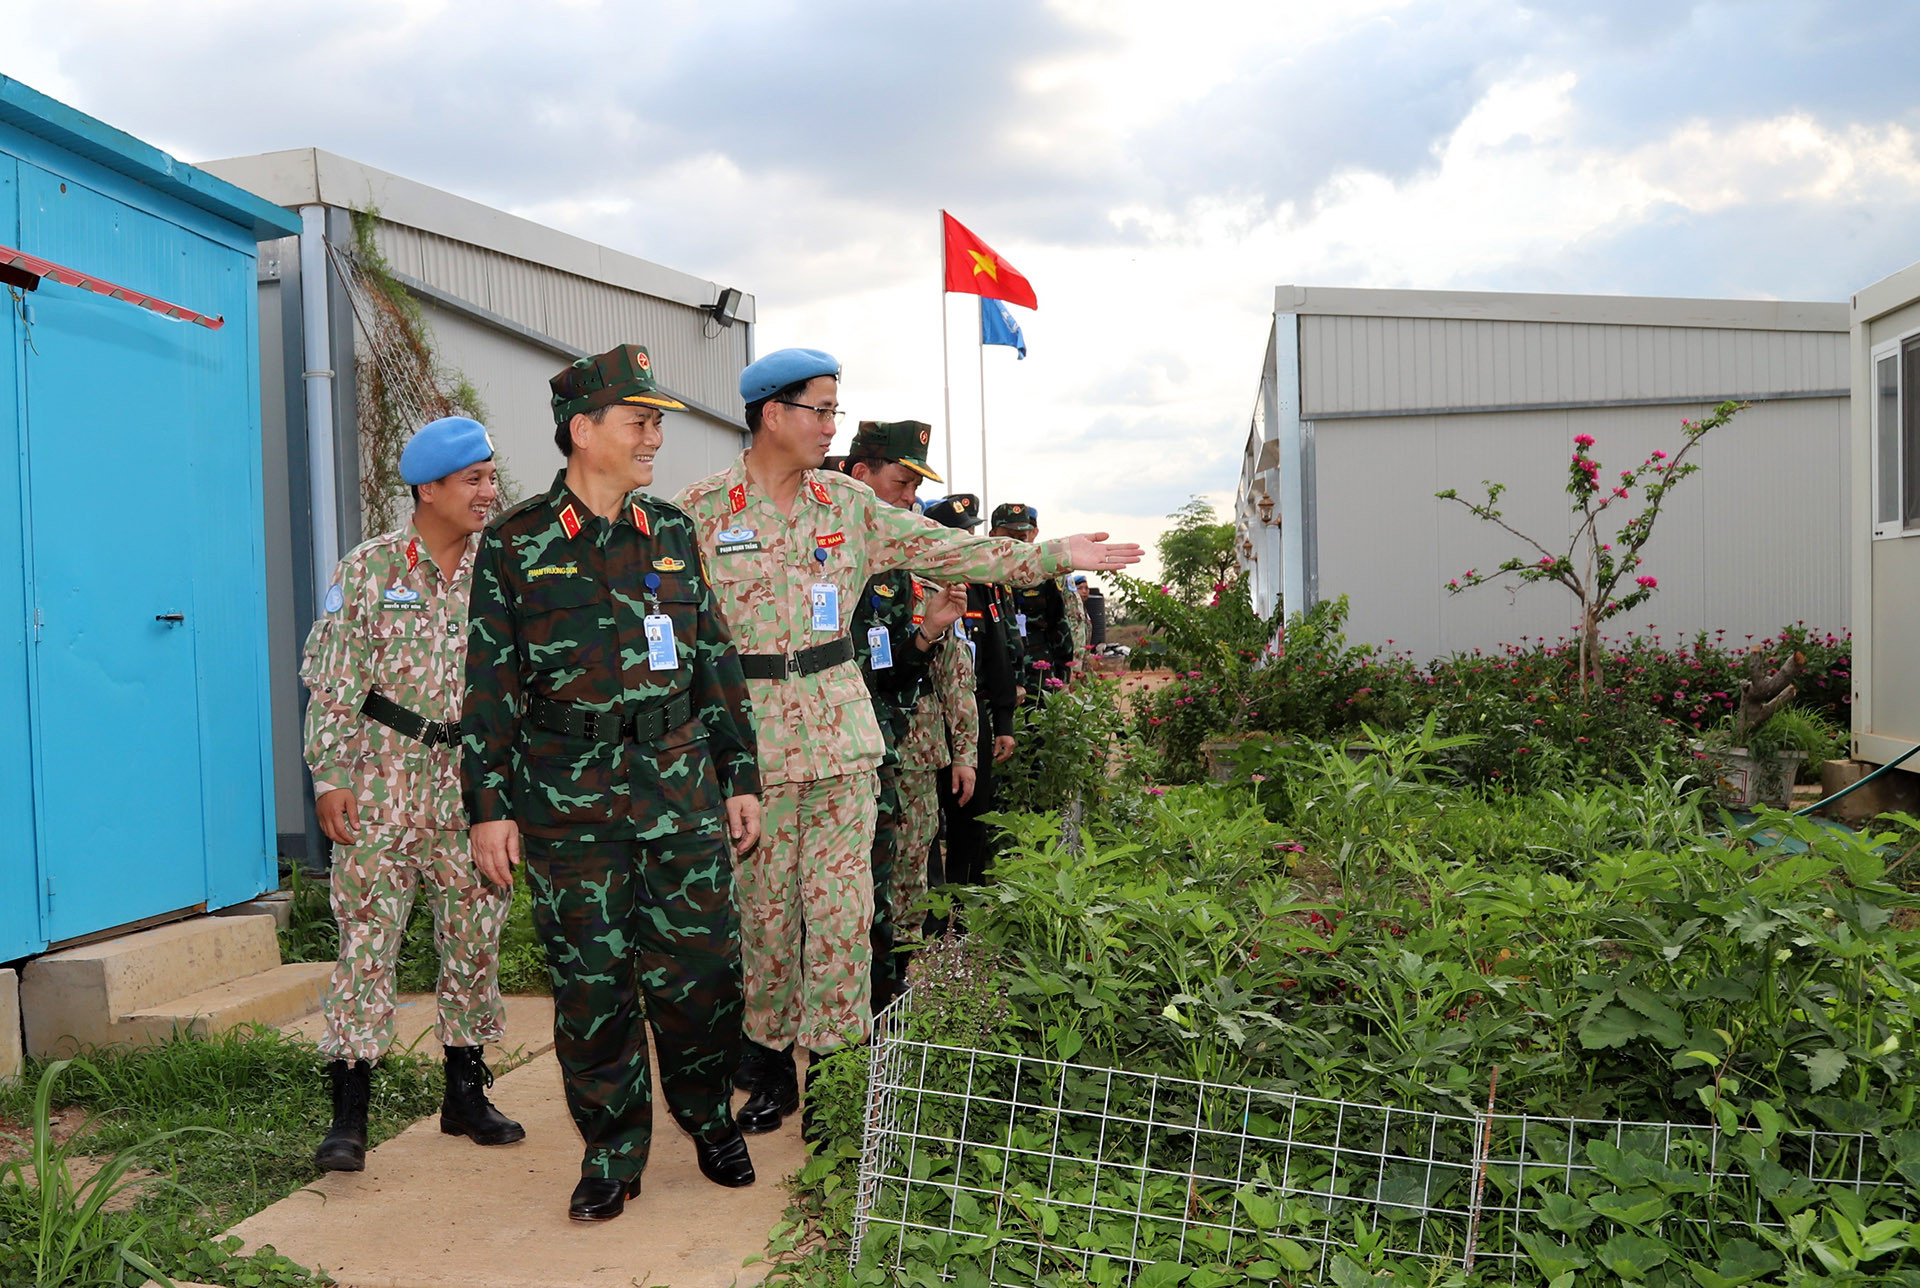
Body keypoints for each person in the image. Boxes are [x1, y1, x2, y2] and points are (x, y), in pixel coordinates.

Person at [675, 349, 1143, 1134]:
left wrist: (1050, 556)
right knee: (761, 915)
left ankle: (835, 1076)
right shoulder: (699, 512)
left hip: (841, 740)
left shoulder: (848, 504)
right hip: (747, 745)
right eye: (818, 410)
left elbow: (954, 551)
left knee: (843, 911)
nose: (831, 426)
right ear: (770, 414)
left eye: (833, 410)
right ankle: (765, 1059)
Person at [462, 345, 763, 1223]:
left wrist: (737, 772)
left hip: (677, 788)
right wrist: (488, 810)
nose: (655, 437)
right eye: (641, 421)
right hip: (567, 801)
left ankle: (708, 1120)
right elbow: (489, 685)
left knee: (703, 972)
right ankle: (611, 1151)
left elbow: (712, 657)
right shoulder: (515, 541)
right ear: (582, 430)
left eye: (657, 421)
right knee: (592, 988)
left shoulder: (670, 530)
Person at [300, 415, 524, 1174]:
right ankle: (349, 1113)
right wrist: (329, 776)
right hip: (381, 780)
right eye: (475, 480)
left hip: (472, 787)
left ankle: (464, 1093)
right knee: (367, 943)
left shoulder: (502, 572)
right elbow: (333, 688)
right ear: (428, 489)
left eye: (492, 478)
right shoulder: (367, 571)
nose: (489, 493)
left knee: (473, 940)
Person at [829, 423, 964, 1015]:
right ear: (861, 477)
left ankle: (881, 1007)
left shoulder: (892, 572)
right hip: (817, 758)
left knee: (882, 891)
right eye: (902, 482)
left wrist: (927, 631)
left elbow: (890, 678)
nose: (911, 497)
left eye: (914, 486)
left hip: (880, 754)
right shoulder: (820, 556)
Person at [923, 495, 1021, 890]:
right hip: (927, 718)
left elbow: (998, 655)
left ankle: (967, 910)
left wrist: (1004, 721)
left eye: (970, 533)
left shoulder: (983, 587)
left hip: (971, 714)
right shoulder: (919, 584)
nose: (968, 541)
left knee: (973, 815)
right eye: (960, 534)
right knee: (927, 822)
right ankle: (931, 915)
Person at [991, 503, 1084, 696]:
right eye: (1009, 537)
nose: (1016, 544)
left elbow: (1059, 625)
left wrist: (1064, 674)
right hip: (998, 674)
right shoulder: (983, 576)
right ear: (993, 535)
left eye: (1021, 538)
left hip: (1039, 673)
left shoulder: (1042, 576)